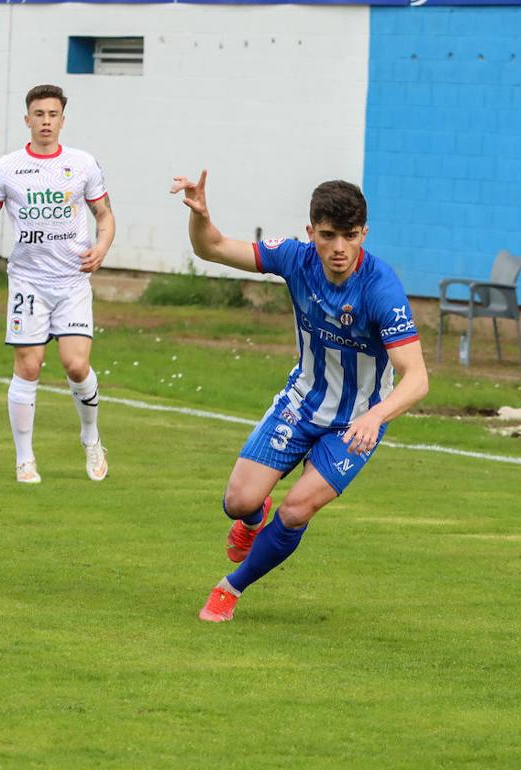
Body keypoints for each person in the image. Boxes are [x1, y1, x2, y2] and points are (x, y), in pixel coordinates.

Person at [170, 171, 429, 623]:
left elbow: (417, 378)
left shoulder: (381, 290)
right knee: (238, 501)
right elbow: (211, 247)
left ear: (364, 234)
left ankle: (229, 589)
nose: (339, 249)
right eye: (328, 236)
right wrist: (201, 217)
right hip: (302, 401)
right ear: (311, 233)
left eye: (350, 236)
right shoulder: (295, 258)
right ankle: (253, 521)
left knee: (296, 508)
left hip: (356, 425)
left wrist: (375, 417)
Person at [0, 84, 116, 484]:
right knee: (28, 367)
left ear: (62, 120)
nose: (45, 121)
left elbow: (104, 215)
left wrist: (101, 247)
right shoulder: (6, 168)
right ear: (27, 119)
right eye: (39, 114)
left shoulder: (83, 164)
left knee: (75, 363)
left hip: (72, 281)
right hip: (28, 282)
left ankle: (90, 436)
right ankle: (24, 459)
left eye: (52, 114)